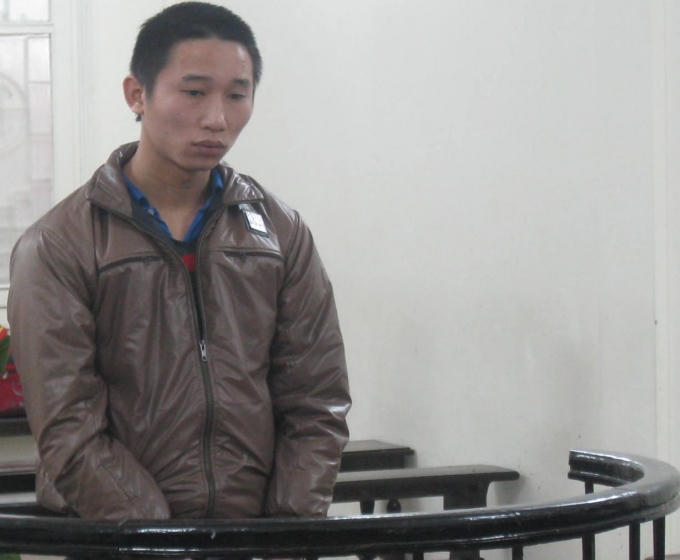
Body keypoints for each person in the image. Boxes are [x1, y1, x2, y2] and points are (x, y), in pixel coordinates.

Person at [8, 1, 350, 521]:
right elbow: (69, 430)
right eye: (194, 92)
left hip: (253, 541)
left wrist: (286, 534)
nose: (216, 119)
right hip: (114, 542)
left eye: (236, 94)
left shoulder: (281, 233)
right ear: (137, 94)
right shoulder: (60, 243)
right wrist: (163, 544)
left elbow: (316, 400)